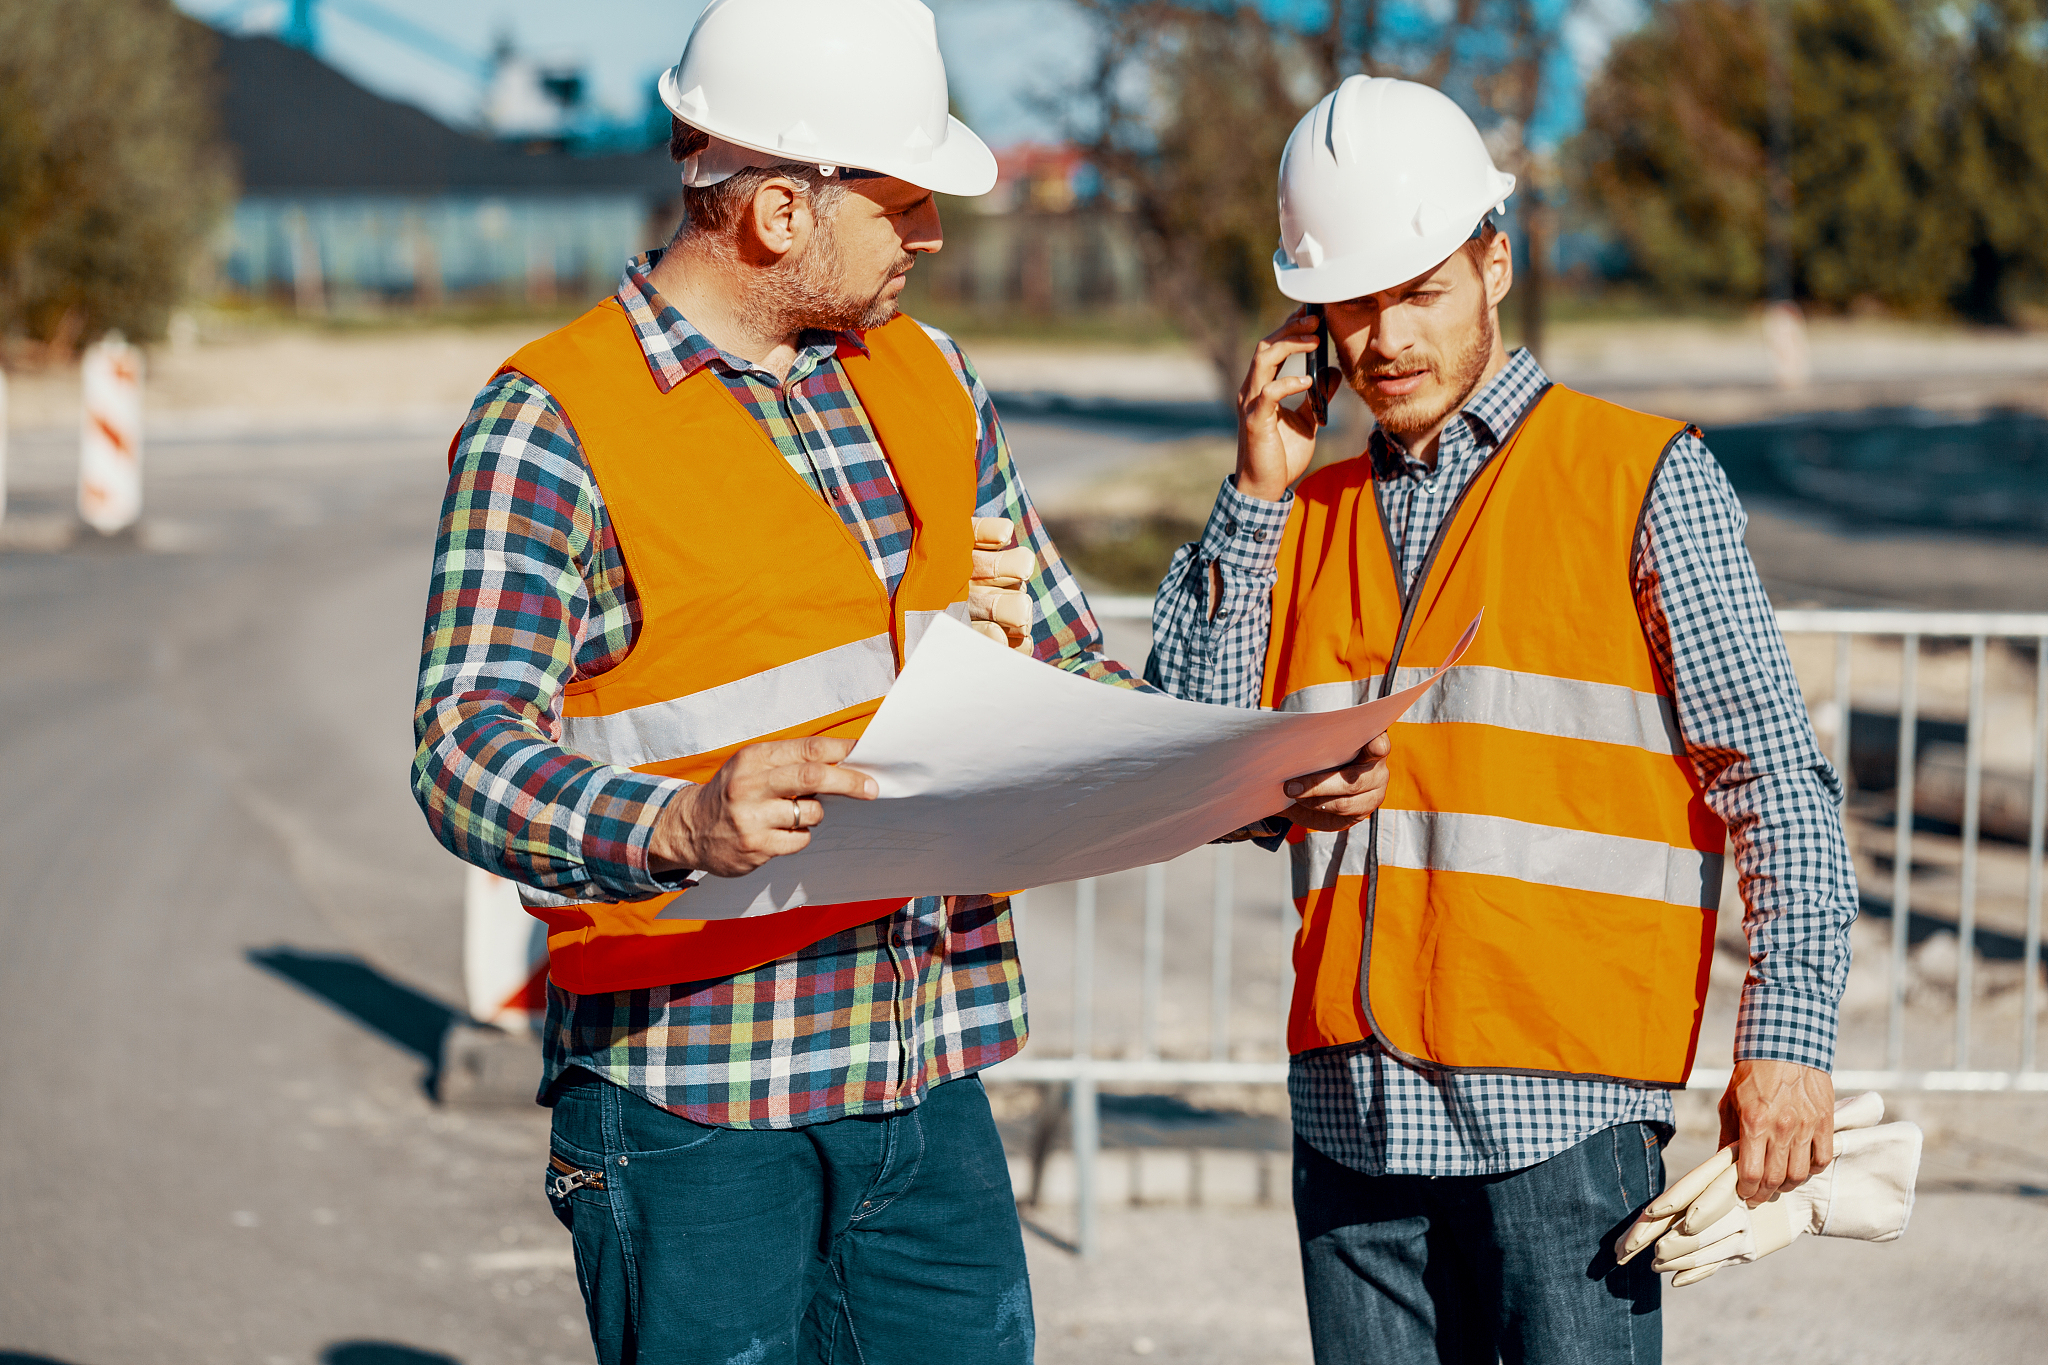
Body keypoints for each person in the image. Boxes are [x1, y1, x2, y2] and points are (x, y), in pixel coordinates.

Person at [1146, 76, 1858, 1364]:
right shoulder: (1300, 515)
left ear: (1495, 265)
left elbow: (1774, 781)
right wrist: (1252, 493)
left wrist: (1789, 1044)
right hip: (1353, 1120)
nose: (1384, 340)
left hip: (1561, 1124)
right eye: (1351, 305)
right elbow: (1183, 770)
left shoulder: (1639, 478)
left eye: (1419, 292)